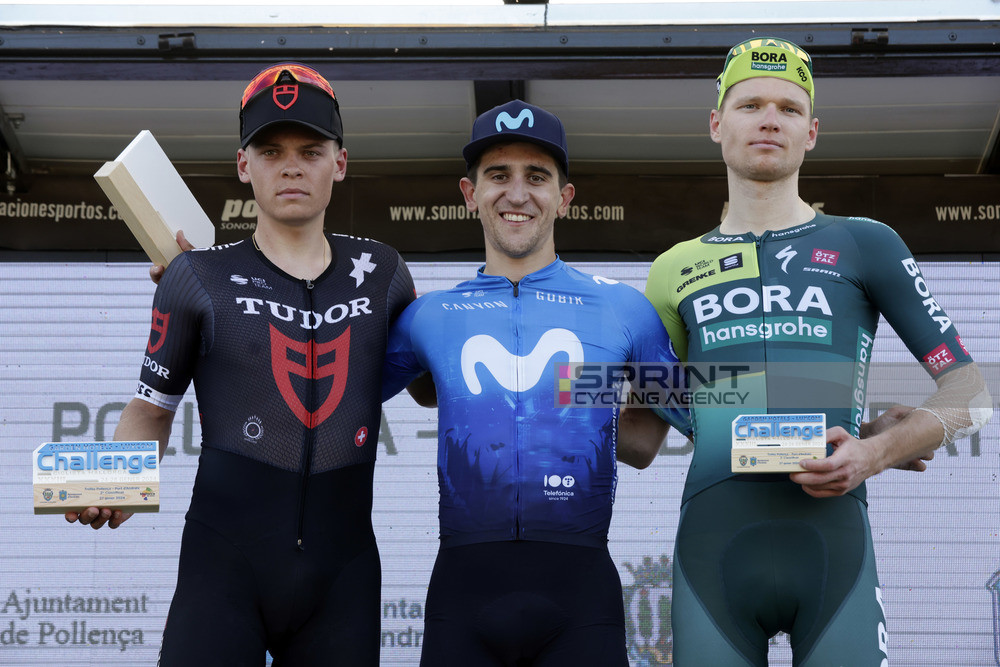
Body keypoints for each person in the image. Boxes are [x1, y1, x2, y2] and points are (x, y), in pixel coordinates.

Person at [643, 37, 993, 665]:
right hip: (714, 550)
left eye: (789, 107)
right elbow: (675, 409)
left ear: (811, 133)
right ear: (718, 125)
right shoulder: (672, 269)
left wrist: (876, 450)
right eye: (750, 104)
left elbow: (973, 392)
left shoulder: (866, 243)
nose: (770, 118)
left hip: (832, 548)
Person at [65, 62, 415, 665]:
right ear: (243, 165)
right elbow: (151, 410)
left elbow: (435, 388)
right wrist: (110, 486)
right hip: (223, 569)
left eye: (311, 149)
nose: (291, 165)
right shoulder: (197, 277)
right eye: (271, 149)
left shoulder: (383, 273)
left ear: (341, 162)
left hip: (344, 579)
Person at [382, 100, 690, 666]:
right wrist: (198, 300)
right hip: (462, 590)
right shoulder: (428, 316)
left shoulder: (623, 309)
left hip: (579, 594)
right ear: (469, 193)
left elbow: (708, 414)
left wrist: (854, 436)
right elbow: (316, 400)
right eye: (498, 175)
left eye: (537, 177)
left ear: (565, 198)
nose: (517, 194)